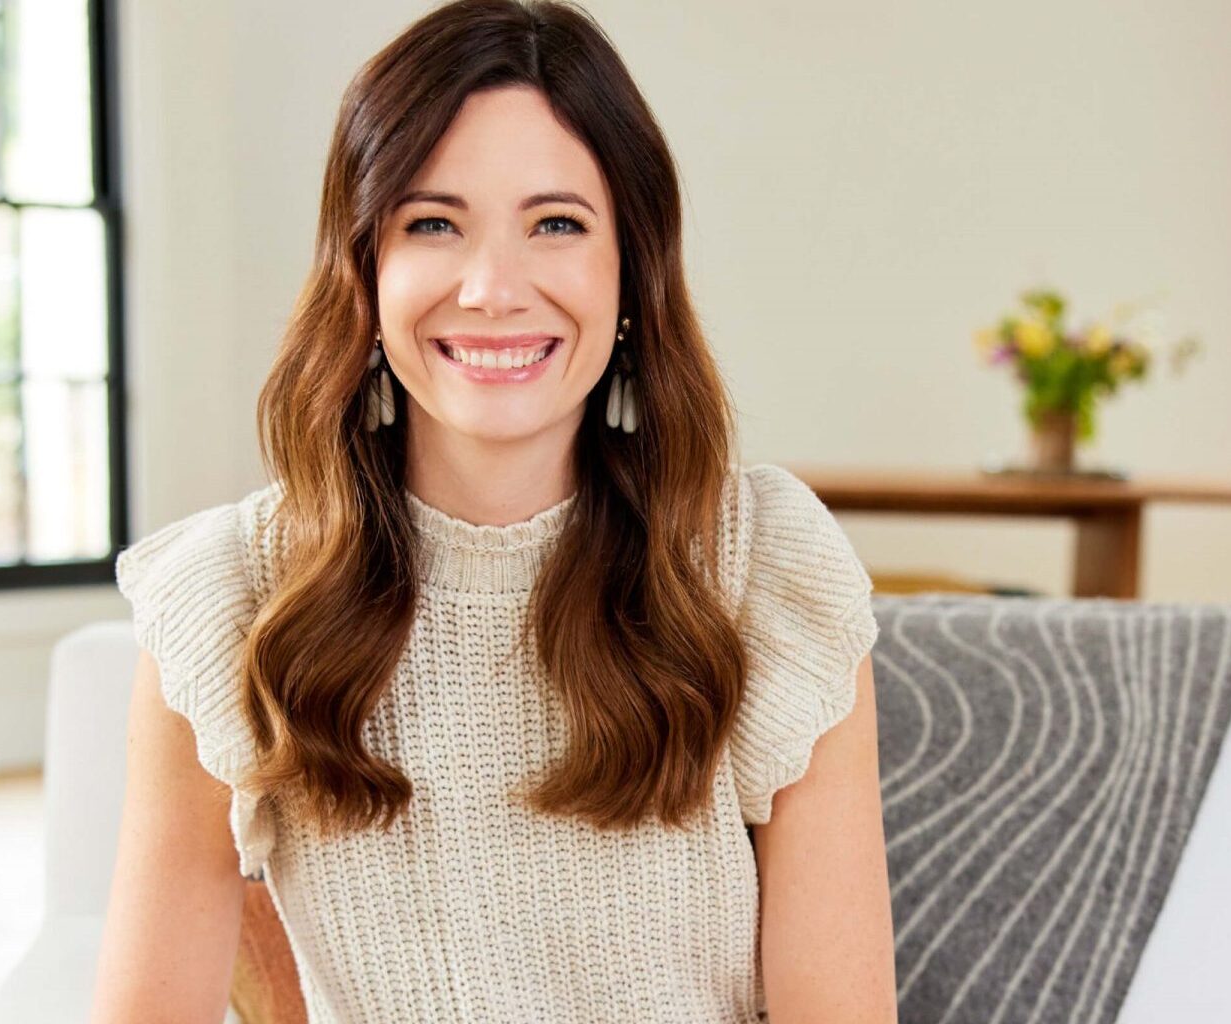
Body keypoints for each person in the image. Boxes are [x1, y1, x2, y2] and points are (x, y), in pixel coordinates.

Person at [88, 1, 897, 1021]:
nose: (491, 287)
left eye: (556, 223)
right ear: (364, 271)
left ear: (632, 268)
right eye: (433, 222)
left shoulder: (757, 562)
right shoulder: (229, 598)